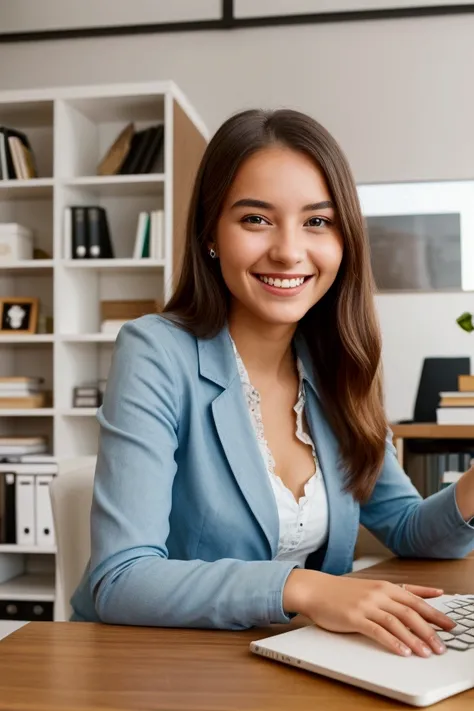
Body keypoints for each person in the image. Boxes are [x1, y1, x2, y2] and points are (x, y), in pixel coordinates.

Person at [70, 108, 474, 658]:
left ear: (344, 240)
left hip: (300, 660)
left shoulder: (337, 365)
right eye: (256, 219)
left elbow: (405, 526)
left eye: (317, 221)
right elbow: (121, 579)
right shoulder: (156, 351)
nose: (288, 250)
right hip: (164, 666)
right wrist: (303, 587)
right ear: (210, 233)